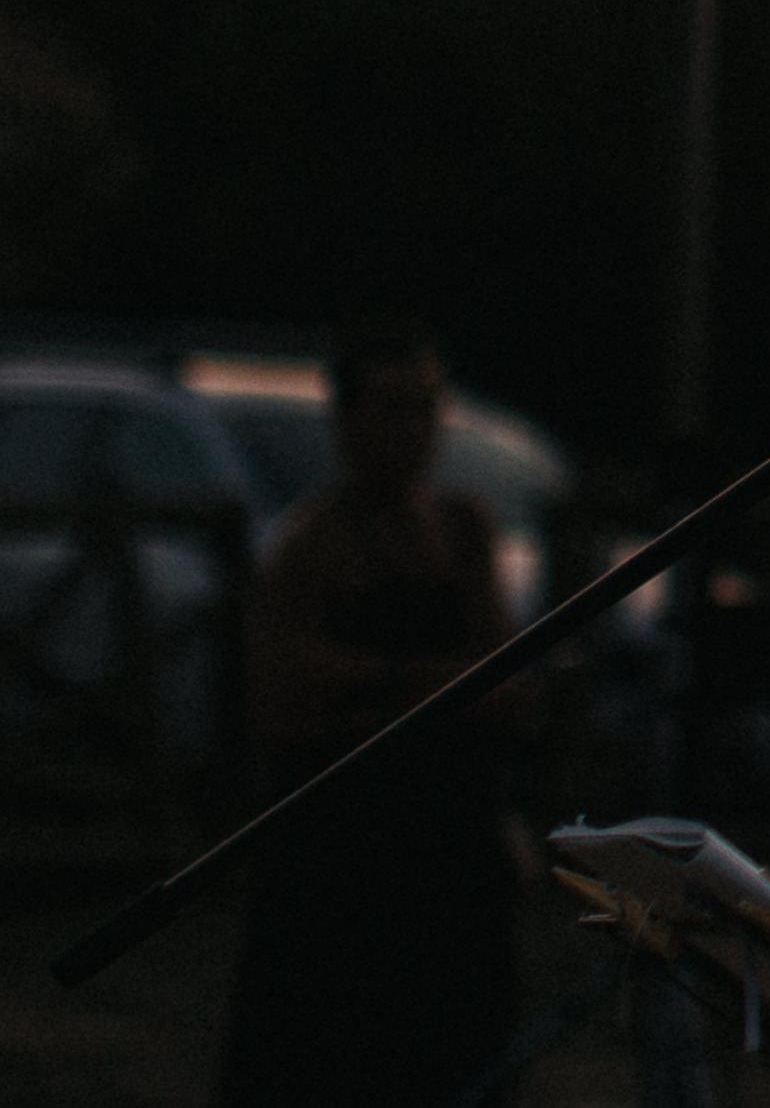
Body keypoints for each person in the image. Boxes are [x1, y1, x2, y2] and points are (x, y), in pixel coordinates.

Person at [217, 321, 524, 1107]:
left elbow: (506, 678)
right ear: (347, 422)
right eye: (390, 409)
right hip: (341, 848)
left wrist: (385, 687)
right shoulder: (311, 542)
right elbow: (280, 693)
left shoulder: (461, 528)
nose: (411, 431)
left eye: (424, 409)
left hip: (450, 844)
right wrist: (421, 685)